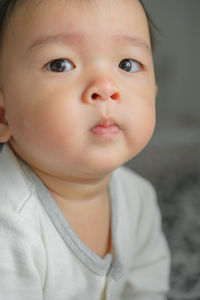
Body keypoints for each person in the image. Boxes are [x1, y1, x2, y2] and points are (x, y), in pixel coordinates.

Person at [0, 0, 170, 299]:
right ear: (3, 113)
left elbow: (146, 289)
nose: (105, 87)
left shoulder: (138, 197)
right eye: (60, 64)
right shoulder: (10, 224)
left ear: (154, 93)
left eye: (127, 64)